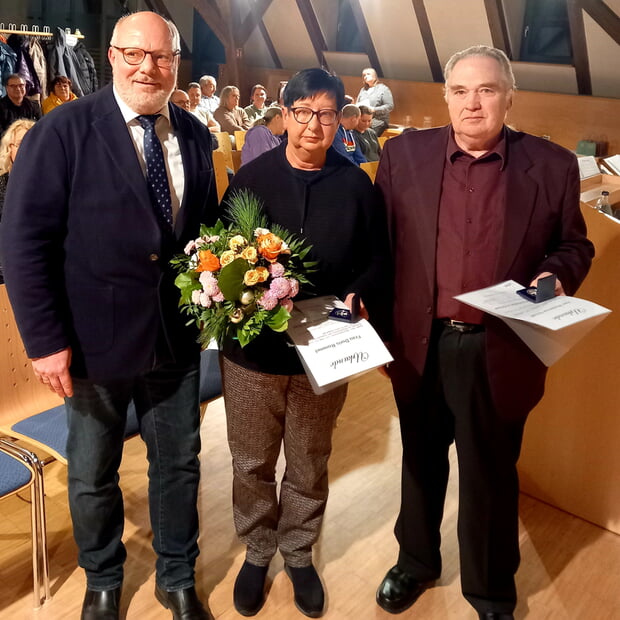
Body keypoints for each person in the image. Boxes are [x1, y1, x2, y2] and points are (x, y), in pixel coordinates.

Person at [1, 11, 218, 620]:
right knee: (93, 472)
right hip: (90, 344)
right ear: (113, 54)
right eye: (134, 54)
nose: (149, 67)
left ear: (178, 63)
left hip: (174, 340)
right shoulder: (62, 131)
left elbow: (202, 236)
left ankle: (176, 576)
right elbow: (23, 242)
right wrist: (44, 341)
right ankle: (103, 578)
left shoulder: (196, 136)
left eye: (164, 57)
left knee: (178, 467)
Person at [374, 45, 594, 620]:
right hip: (418, 341)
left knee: (490, 473)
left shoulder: (551, 165)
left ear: (509, 96)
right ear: (445, 96)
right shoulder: (402, 156)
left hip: (499, 348)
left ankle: (492, 589)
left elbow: (574, 243)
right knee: (420, 461)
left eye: (487, 89)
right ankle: (415, 562)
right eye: (461, 90)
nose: (474, 103)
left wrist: (555, 274)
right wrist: (368, 324)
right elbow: (381, 247)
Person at [220, 67, 390, 618]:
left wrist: (360, 292)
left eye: (326, 113)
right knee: (250, 461)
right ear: (285, 116)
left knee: (310, 459)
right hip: (254, 355)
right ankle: (257, 549)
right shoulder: (251, 180)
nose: (314, 124)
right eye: (303, 112)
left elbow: (377, 258)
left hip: (325, 348)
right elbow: (221, 257)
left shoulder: (355, 185)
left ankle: (297, 552)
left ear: (339, 119)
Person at [0, 118, 35, 283]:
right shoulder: (2, 183)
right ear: (9, 149)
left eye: (32, 142)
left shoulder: (52, 182)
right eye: (20, 143)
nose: (26, 148)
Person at [356, 67, 393, 136]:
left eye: (368, 74)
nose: (366, 76)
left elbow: (389, 106)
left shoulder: (383, 89)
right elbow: (357, 104)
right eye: (364, 75)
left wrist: (374, 109)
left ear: (375, 76)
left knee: (367, 133)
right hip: (363, 120)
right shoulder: (363, 90)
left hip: (378, 121)